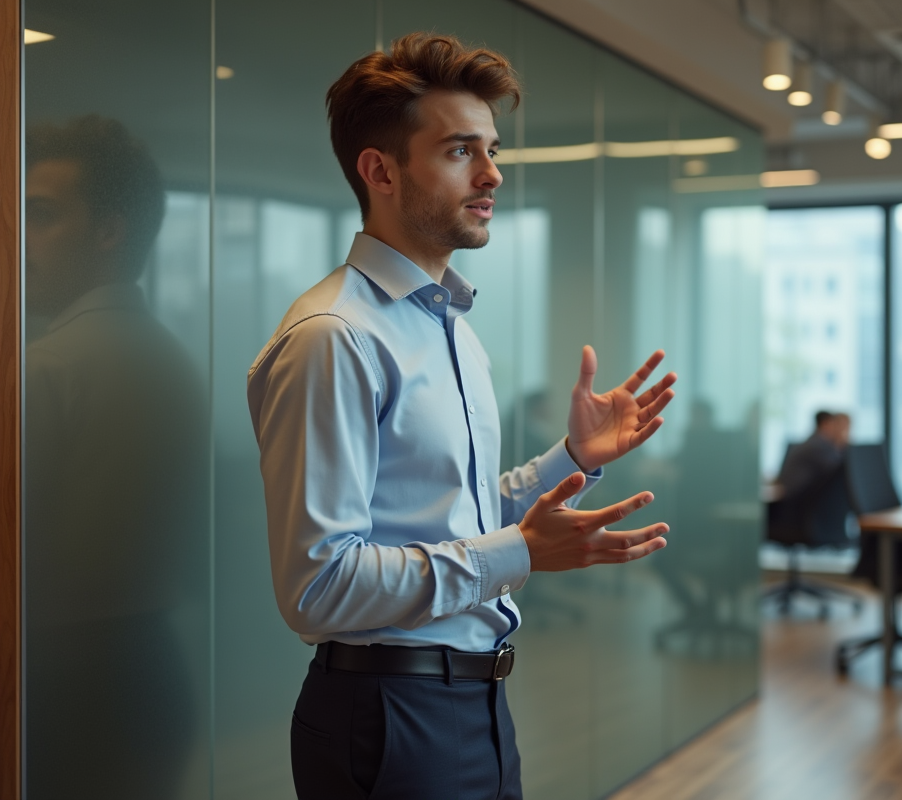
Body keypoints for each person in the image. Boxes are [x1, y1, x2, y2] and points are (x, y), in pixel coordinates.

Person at [246, 33, 677, 800]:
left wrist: (571, 460)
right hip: (389, 715)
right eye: (459, 151)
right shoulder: (335, 337)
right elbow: (316, 587)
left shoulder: (450, 326)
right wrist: (517, 553)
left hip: (475, 699)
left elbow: (455, 514)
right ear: (379, 170)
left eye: (492, 149)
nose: (492, 174)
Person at [23, 116, 208, 797]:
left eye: (40, 216)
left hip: (58, 686)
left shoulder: (43, 370)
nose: (20, 239)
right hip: (153, 675)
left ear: (109, 232)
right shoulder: (174, 361)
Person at [775, 410, 851, 502]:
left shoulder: (817, 442)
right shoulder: (818, 445)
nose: (839, 430)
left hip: (800, 497)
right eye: (835, 425)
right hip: (798, 500)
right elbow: (837, 468)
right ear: (825, 424)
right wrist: (841, 444)